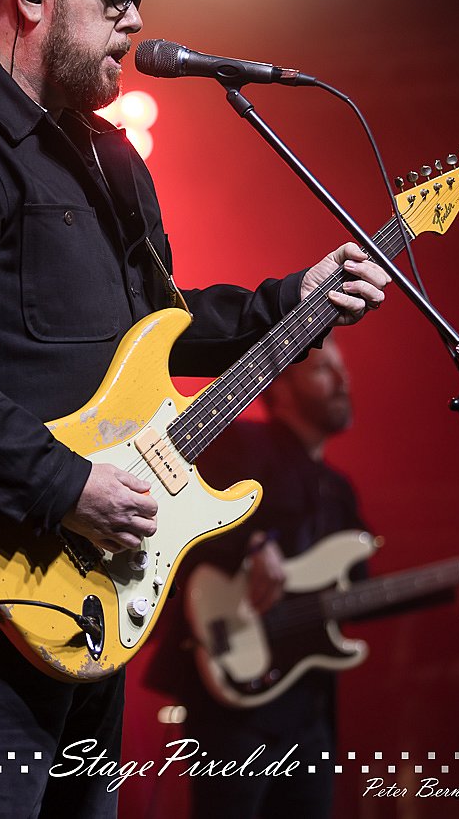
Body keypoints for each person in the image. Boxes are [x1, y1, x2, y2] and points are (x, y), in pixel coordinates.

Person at [0, 0, 389, 819]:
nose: (137, 21)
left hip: (97, 585)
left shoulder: (107, 155)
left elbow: (161, 326)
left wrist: (292, 301)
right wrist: (66, 485)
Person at [143, 336, 365, 819]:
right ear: (280, 386)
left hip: (309, 706)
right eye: (323, 369)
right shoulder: (240, 444)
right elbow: (173, 519)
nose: (342, 381)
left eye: (342, 369)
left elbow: (359, 591)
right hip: (229, 695)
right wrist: (251, 544)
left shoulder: (340, 490)